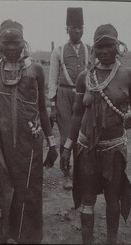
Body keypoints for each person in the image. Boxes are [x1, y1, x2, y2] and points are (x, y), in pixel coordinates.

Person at [0, 19, 57, 244]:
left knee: (29, 197)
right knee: (2, 195)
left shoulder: (35, 70)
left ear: (23, 43)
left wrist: (52, 143)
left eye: (15, 42)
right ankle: (4, 240)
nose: (10, 47)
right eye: (5, 43)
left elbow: (42, 111)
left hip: (29, 149)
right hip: (0, 147)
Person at [61, 24, 131, 245]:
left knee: (112, 198)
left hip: (114, 148)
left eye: (109, 46)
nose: (105, 51)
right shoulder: (84, 78)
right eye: (100, 47)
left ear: (118, 46)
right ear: (94, 49)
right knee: (87, 199)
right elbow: (77, 114)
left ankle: (112, 241)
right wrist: (67, 147)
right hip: (86, 149)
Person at [48, 7, 91, 190]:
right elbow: (52, 80)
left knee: (84, 136)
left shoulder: (90, 50)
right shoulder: (58, 51)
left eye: (80, 27)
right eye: (74, 27)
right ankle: (66, 174)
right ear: (67, 28)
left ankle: (82, 174)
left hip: (84, 97)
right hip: (64, 97)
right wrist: (53, 105)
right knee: (67, 136)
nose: (78, 31)